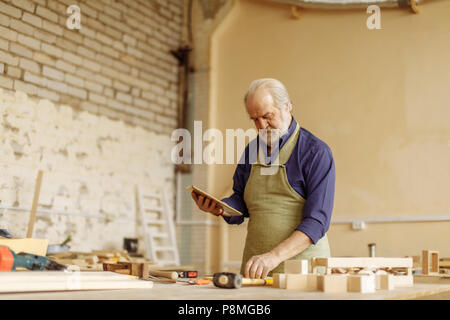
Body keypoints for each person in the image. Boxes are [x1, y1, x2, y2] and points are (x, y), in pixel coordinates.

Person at [191, 78, 335, 279]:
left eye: (268, 116)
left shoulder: (316, 153)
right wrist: (221, 207)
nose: (261, 126)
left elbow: (317, 221)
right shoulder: (251, 150)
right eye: (254, 119)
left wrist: (273, 257)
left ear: (287, 106)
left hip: (303, 274)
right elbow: (241, 200)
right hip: (256, 270)